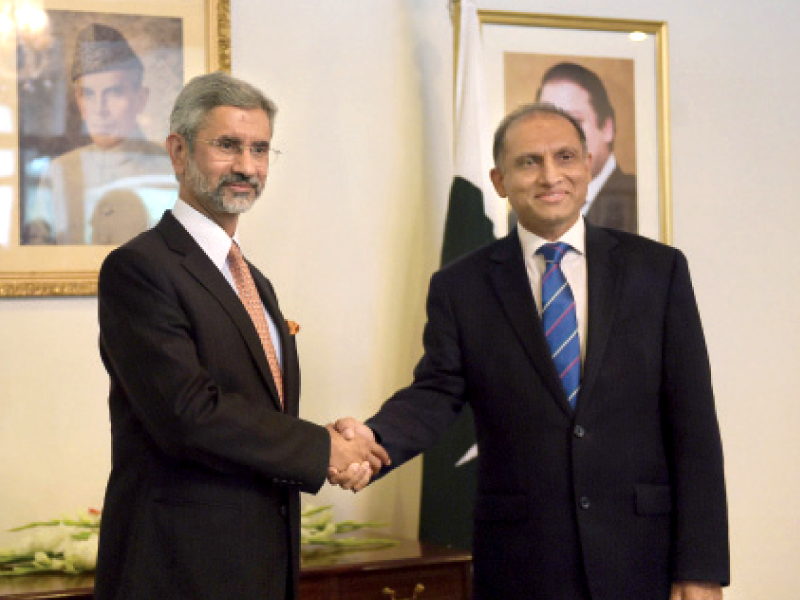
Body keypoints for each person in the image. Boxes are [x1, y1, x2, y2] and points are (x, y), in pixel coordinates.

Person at [331, 103, 729, 599]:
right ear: (499, 180)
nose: (550, 175)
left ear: (587, 165)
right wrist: (373, 439)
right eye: (528, 162)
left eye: (564, 157)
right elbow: (436, 393)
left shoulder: (658, 272)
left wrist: (700, 569)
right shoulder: (462, 286)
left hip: (641, 558)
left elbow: (693, 427)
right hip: (522, 563)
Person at [94, 71, 388, 600]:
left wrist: (326, 438)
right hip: (177, 571)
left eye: (260, 149)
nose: (247, 167)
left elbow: (251, 414)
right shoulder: (139, 268)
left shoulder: (254, 281)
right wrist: (321, 448)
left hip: (262, 566)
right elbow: (189, 415)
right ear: (178, 152)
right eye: (227, 146)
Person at [24, 23, 176, 245]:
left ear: (140, 99)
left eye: (114, 92)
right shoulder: (59, 171)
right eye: (88, 94)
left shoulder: (170, 169)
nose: (100, 108)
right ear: (79, 102)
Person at [536, 61, 637, 233]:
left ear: (607, 128)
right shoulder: (523, 213)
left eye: (574, 121)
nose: (557, 137)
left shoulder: (641, 200)